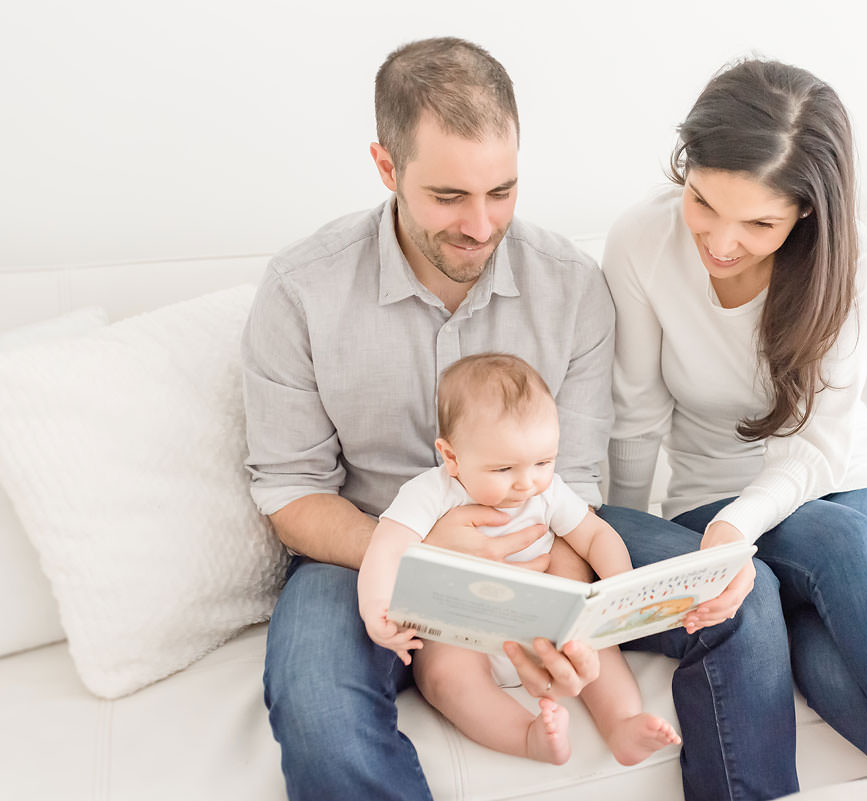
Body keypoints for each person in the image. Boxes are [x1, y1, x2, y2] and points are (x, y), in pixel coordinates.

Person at [242, 37, 799, 801]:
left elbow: (572, 483)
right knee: (315, 702)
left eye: (501, 191)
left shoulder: (569, 286)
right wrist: (426, 552)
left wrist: (555, 611)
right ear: (386, 167)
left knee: (743, 597)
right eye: (448, 197)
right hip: (364, 547)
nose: (480, 224)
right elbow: (289, 491)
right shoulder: (302, 290)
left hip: (547, 526)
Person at [601, 58, 867, 773]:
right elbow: (634, 418)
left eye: (758, 222)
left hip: (841, 478)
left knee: (833, 658)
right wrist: (625, 555)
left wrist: (737, 530)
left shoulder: (854, 262)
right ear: (685, 168)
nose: (720, 240)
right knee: (841, 553)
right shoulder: (639, 243)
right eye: (703, 202)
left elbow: (819, 447)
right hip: (709, 494)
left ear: (806, 210)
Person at [357, 352, 681, 766]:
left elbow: (595, 534)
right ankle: (527, 736)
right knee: (443, 677)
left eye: (544, 462)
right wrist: (376, 608)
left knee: (596, 648)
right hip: (460, 628)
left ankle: (622, 723)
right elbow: (387, 547)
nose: (526, 483)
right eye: (504, 468)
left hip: (540, 616)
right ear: (451, 456)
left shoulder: (548, 491)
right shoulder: (430, 493)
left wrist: (620, 582)